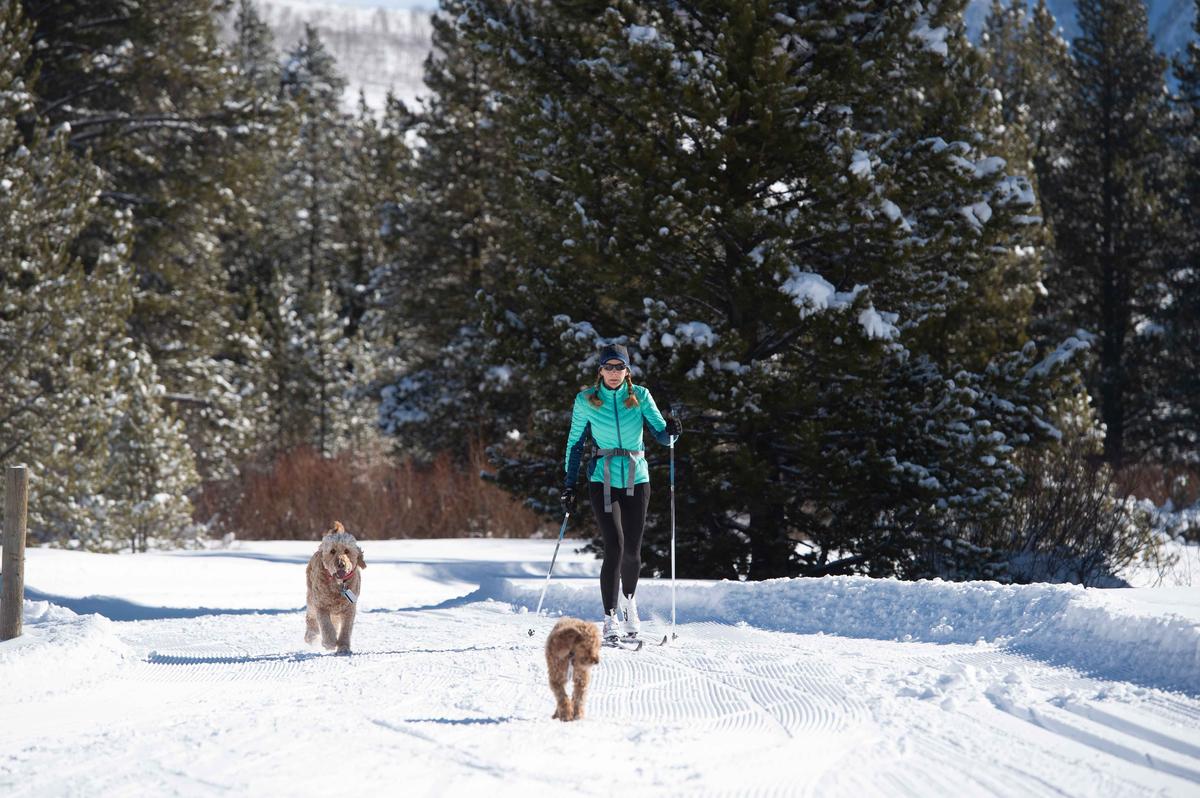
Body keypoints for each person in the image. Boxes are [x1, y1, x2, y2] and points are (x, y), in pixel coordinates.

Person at [560, 343, 682, 641]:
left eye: (619, 367)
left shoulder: (640, 396)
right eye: (608, 367)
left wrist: (673, 431)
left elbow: (662, 436)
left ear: (627, 371)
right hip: (602, 477)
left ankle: (629, 603)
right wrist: (568, 483)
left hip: (636, 477)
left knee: (632, 552)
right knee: (613, 546)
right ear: (599, 370)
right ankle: (609, 617)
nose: (614, 373)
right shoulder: (586, 400)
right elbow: (575, 443)